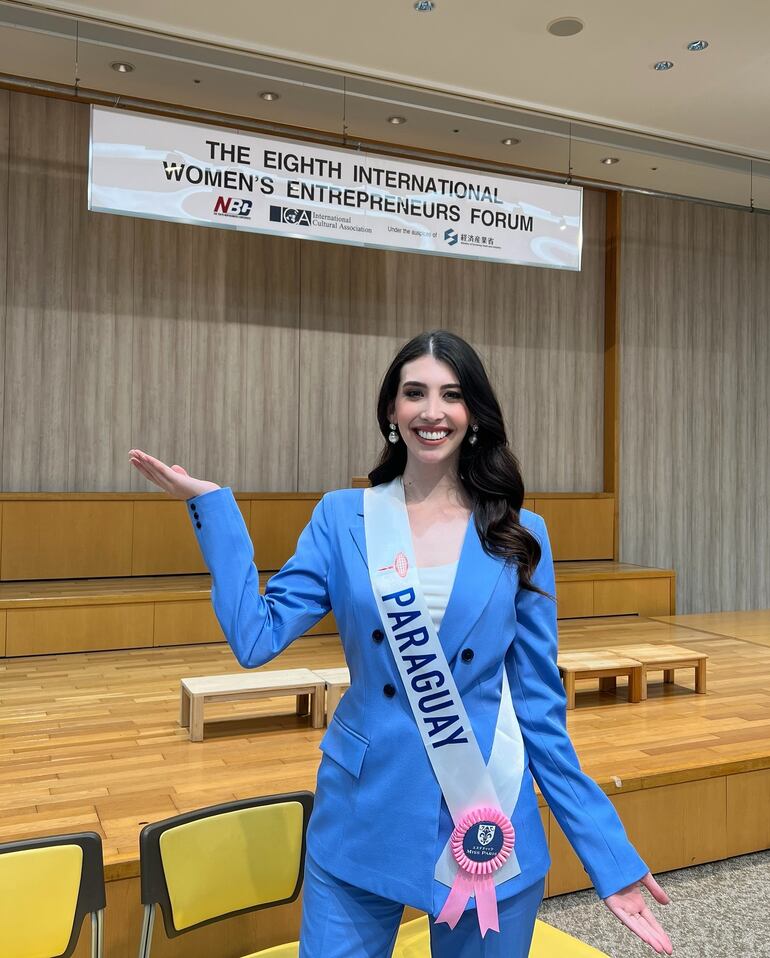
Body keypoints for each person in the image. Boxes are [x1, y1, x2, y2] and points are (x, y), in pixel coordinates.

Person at [129, 329, 673, 957]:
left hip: (484, 817)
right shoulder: (343, 518)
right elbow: (256, 637)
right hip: (364, 809)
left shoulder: (522, 535)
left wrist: (609, 855)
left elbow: (541, 713)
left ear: (474, 416)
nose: (432, 412)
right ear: (392, 410)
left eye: (451, 396)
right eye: (414, 394)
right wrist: (214, 509)